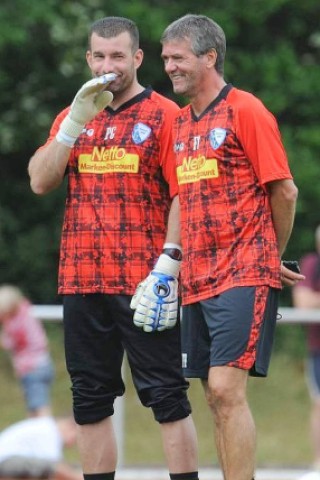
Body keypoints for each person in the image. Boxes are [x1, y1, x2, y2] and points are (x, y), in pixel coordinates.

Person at [28, 16, 198, 480]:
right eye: (99, 56)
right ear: (88, 59)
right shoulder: (73, 113)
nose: (109, 65)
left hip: (147, 282)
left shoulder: (166, 114)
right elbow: (41, 180)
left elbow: (185, 191)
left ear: (137, 58)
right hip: (81, 279)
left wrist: (171, 262)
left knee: (166, 397)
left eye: (118, 55)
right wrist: (72, 126)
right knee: (89, 401)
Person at [156, 13, 304, 480]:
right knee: (212, 395)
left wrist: (269, 254)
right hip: (196, 276)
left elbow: (285, 191)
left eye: (178, 58)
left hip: (244, 268)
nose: (170, 68)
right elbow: (181, 196)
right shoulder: (180, 124)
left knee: (225, 387)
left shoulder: (246, 110)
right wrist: (169, 261)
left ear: (210, 56)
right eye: (165, 59)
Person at [0, 284, 55, 417]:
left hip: (32, 369)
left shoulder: (16, 325)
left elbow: (11, 343)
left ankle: (45, 433)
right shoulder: (26, 312)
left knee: (39, 407)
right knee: (34, 405)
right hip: (44, 363)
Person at [292, 225, 320, 480]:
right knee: (319, 404)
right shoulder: (312, 264)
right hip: (319, 348)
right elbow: (303, 302)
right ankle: (319, 464)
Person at [0, 415, 82, 480]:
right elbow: (56, 468)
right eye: (75, 438)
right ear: (71, 427)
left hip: (10, 462)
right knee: (55, 468)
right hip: (5, 461)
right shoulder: (51, 430)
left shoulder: (46, 425)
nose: (73, 444)